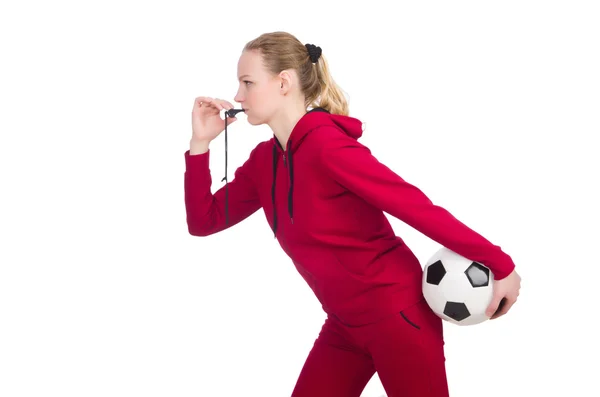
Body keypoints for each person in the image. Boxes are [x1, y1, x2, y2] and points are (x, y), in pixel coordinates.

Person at [184, 31, 521, 397]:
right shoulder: (265, 163)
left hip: (398, 317)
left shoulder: (328, 147)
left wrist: (498, 263)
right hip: (343, 326)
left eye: (247, 82)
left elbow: (414, 207)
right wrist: (200, 145)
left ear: (284, 82)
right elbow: (204, 221)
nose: (237, 96)